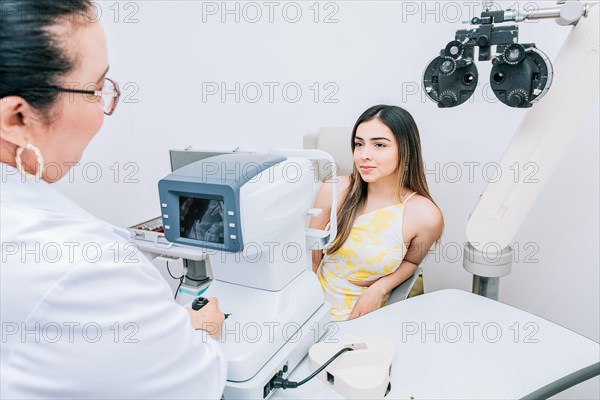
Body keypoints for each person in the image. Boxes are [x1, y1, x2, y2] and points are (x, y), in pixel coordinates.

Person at [0, 1, 226, 398]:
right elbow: (191, 385)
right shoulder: (82, 268)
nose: (106, 108)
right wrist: (204, 332)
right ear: (17, 118)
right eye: (96, 89)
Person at [309, 105, 444, 321]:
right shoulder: (335, 189)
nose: (364, 155)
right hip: (313, 308)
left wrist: (380, 288)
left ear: (405, 149)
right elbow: (312, 257)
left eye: (379, 145)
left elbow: (411, 263)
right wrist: (301, 311)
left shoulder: (424, 215)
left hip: (367, 317)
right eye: (359, 144)